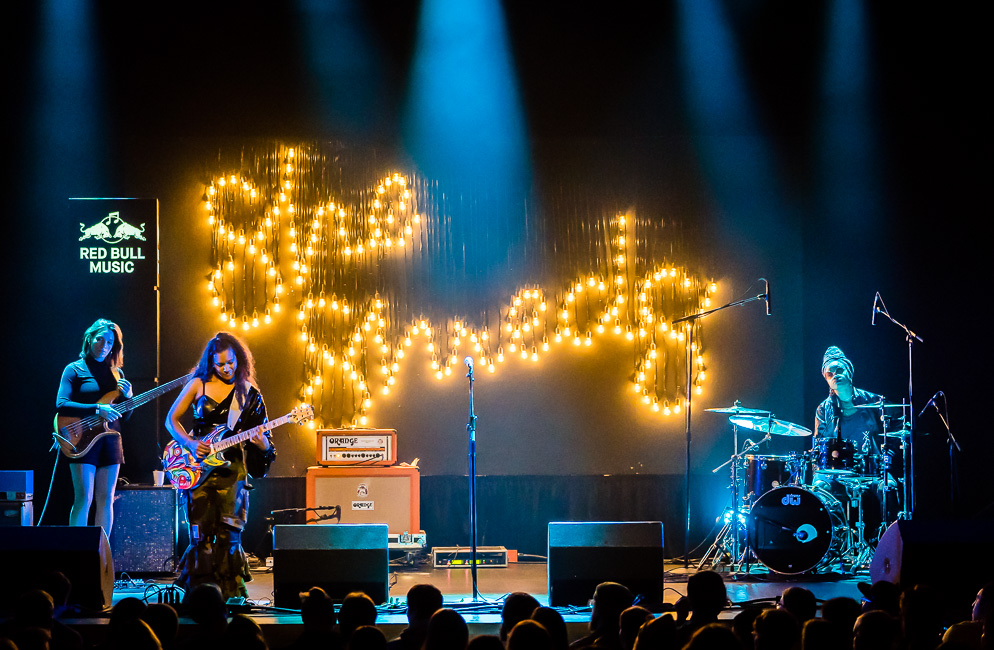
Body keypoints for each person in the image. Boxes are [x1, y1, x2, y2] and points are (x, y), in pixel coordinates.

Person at [166, 333, 275, 600]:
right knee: (199, 534)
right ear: (210, 363)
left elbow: (266, 445)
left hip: (232, 471)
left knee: (230, 534)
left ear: (239, 359)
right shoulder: (197, 385)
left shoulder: (250, 393)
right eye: (220, 364)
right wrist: (190, 443)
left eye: (230, 363)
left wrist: (261, 444)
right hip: (198, 467)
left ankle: (231, 597)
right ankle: (199, 595)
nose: (226, 369)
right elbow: (172, 420)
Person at [56, 318, 133, 535]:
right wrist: (97, 409)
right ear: (90, 338)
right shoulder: (74, 369)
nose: (104, 346)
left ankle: (101, 556)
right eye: (100, 339)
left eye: (110, 342)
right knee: (84, 498)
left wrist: (129, 398)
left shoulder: (118, 373)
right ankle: (77, 554)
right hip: (82, 438)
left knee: (106, 499)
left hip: (110, 439)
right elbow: (61, 403)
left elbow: (125, 417)